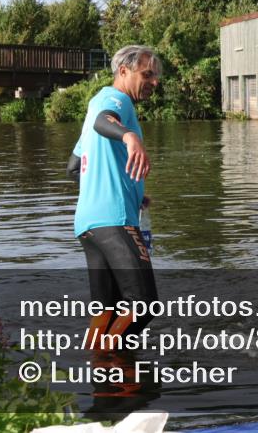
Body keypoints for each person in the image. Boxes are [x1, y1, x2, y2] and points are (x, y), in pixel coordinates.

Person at [66, 45, 161, 347]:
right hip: (114, 221)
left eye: (155, 76)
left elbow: (72, 166)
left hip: (88, 224)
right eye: (147, 74)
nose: (154, 81)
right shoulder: (114, 100)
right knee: (143, 304)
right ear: (124, 71)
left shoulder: (95, 103)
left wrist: (128, 189)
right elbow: (103, 122)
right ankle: (108, 360)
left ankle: (99, 373)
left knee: (106, 311)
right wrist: (130, 136)